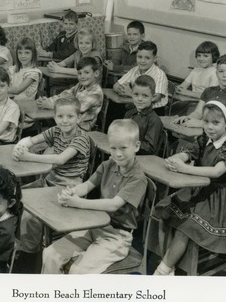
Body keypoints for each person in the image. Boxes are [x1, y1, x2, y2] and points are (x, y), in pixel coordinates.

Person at [153, 101, 226, 275]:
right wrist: (178, 158)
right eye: (206, 122)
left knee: (186, 227)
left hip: (219, 199)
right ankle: (169, 262)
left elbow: (217, 172)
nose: (209, 127)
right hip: (198, 190)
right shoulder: (204, 139)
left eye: (215, 123)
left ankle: (163, 270)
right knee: (163, 212)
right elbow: (190, 152)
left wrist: (186, 168)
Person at [42, 119, 147, 274]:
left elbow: (113, 205)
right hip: (94, 226)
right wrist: (71, 193)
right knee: (50, 254)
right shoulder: (107, 165)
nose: (117, 154)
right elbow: (86, 186)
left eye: (123, 148)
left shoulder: (137, 178)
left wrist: (77, 203)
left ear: (136, 146)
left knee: (78, 271)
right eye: (113, 148)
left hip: (117, 237)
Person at [13, 96, 92, 260]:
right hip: (50, 181)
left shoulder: (81, 138)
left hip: (68, 188)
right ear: (54, 117)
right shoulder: (56, 131)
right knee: (14, 196)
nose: (65, 121)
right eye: (60, 116)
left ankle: (29, 255)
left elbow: (60, 159)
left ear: (79, 117)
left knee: (31, 213)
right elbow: (33, 140)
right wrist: (21, 148)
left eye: (70, 116)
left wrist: (27, 156)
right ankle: (18, 243)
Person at [175, 54, 226, 130]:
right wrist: (188, 118)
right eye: (221, 71)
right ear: (216, 74)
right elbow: (198, 113)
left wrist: (202, 123)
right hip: (202, 131)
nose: (225, 75)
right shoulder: (208, 91)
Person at [37, 56, 103, 131]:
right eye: (79, 73)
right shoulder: (80, 85)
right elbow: (63, 95)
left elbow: (74, 109)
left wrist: (50, 104)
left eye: (86, 72)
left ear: (96, 73)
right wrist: (47, 101)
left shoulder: (96, 93)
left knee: (44, 131)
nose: (82, 76)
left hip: (81, 130)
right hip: (68, 124)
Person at [113, 41, 169, 111]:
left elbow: (156, 98)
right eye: (139, 57)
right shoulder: (134, 70)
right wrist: (122, 90)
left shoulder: (159, 74)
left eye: (147, 58)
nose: (142, 61)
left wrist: (130, 93)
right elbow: (116, 85)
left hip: (153, 111)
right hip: (136, 107)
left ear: (154, 59)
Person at [171, 40, 220, 116]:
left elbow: (209, 96)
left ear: (214, 56)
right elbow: (183, 86)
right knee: (172, 109)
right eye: (199, 55)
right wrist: (178, 88)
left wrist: (188, 93)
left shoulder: (214, 73)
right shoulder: (195, 70)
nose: (201, 59)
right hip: (190, 102)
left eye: (205, 56)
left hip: (204, 106)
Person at [124, 75, 164, 156]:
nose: (139, 99)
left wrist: (128, 143)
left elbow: (149, 148)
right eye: (136, 94)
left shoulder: (154, 120)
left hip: (142, 160)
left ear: (153, 97)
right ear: (131, 94)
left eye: (145, 96)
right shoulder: (129, 114)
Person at [8, 37, 43, 101]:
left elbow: (18, 90)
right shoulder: (14, 69)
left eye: (27, 53)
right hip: (12, 100)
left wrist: (0, 89)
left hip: (26, 104)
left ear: (33, 54)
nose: (23, 56)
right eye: (20, 53)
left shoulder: (33, 73)